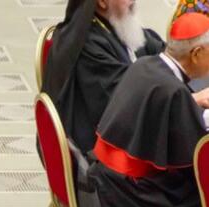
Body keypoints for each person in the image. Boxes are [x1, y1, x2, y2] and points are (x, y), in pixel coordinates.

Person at [90, 12, 209, 207]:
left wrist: (192, 103)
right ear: (197, 53)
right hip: (135, 199)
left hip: (111, 180)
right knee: (202, 205)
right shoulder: (174, 93)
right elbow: (195, 162)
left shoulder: (146, 65)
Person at [44, 0, 165, 156]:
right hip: (103, 153)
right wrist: (180, 98)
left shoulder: (120, 24)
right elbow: (123, 100)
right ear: (101, 2)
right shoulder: (88, 45)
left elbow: (166, 56)